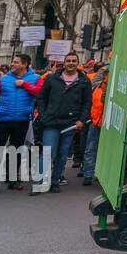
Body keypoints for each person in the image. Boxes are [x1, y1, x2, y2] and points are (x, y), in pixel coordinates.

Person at [31, 51, 92, 194]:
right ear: (64, 63)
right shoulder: (52, 79)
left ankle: (55, 181)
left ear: (78, 64)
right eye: (68, 60)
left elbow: (87, 102)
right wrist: (44, 114)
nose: (71, 63)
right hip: (51, 122)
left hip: (70, 123)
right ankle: (40, 182)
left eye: (73, 61)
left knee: (63, 154)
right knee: (48, 152)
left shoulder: (84, 81)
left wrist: (81, 120)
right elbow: (41, 97)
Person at [0, 54, 39, 190]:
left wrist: (25, 85)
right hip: (2, 119)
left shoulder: (35, 78)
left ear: (24, 65)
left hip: (22, 120)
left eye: (16, 62)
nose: (12, 64)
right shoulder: (4, 79)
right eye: (12, 62)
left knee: (16, 150)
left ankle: (12, 178)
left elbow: (40, 92)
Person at [80, 63, 108, 186]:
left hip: (109, 126)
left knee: (104, 151)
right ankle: (88, 174)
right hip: (95, 122)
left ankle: (100, 174)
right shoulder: (95, 86)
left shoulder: (116, 89)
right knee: (90, 149)